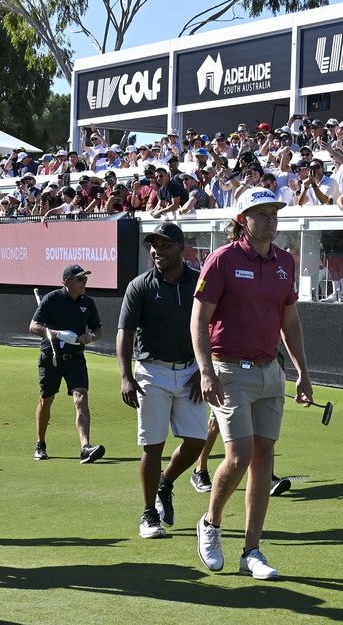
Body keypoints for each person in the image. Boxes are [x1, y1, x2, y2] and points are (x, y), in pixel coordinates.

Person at [192, 186, 314, 580]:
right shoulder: (222, 260)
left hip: (269, 372)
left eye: (273, 213)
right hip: (228, 370)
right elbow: (198, 319)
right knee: (240, 456)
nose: (270, 220)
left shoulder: (284, 261)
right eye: (261, 214)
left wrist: (303, 373)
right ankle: (211, 523)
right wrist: (206, 369)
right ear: (243, 219)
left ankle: (252, 550)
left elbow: (290, 321)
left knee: (264, 460)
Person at [118, 222, 207, 538]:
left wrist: (203, 369)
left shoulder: (200, 283)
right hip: (151, 372)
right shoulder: (140, 286)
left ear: (181, 249)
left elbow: (213, 327)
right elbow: (125, 332)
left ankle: (165, 483)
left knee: (197, 441)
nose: (157, 251)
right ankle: (148, 515)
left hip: (191, 373)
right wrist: (126, 376)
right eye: (153, 246)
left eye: (165, 245)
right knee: (152, 446)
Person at [30, 264, 105, 464]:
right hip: (51, 357)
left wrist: (89, 336)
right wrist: (58, 334)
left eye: (85, 279)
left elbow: (98, 330)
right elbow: (34, 326)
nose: (84, 282)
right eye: (80, 279)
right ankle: (40, 443)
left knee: (81, 398)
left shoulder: (88, 302)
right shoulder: (52, 299)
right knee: (46, 400)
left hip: (76, 358)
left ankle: (85, 447)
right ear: (66, 282)